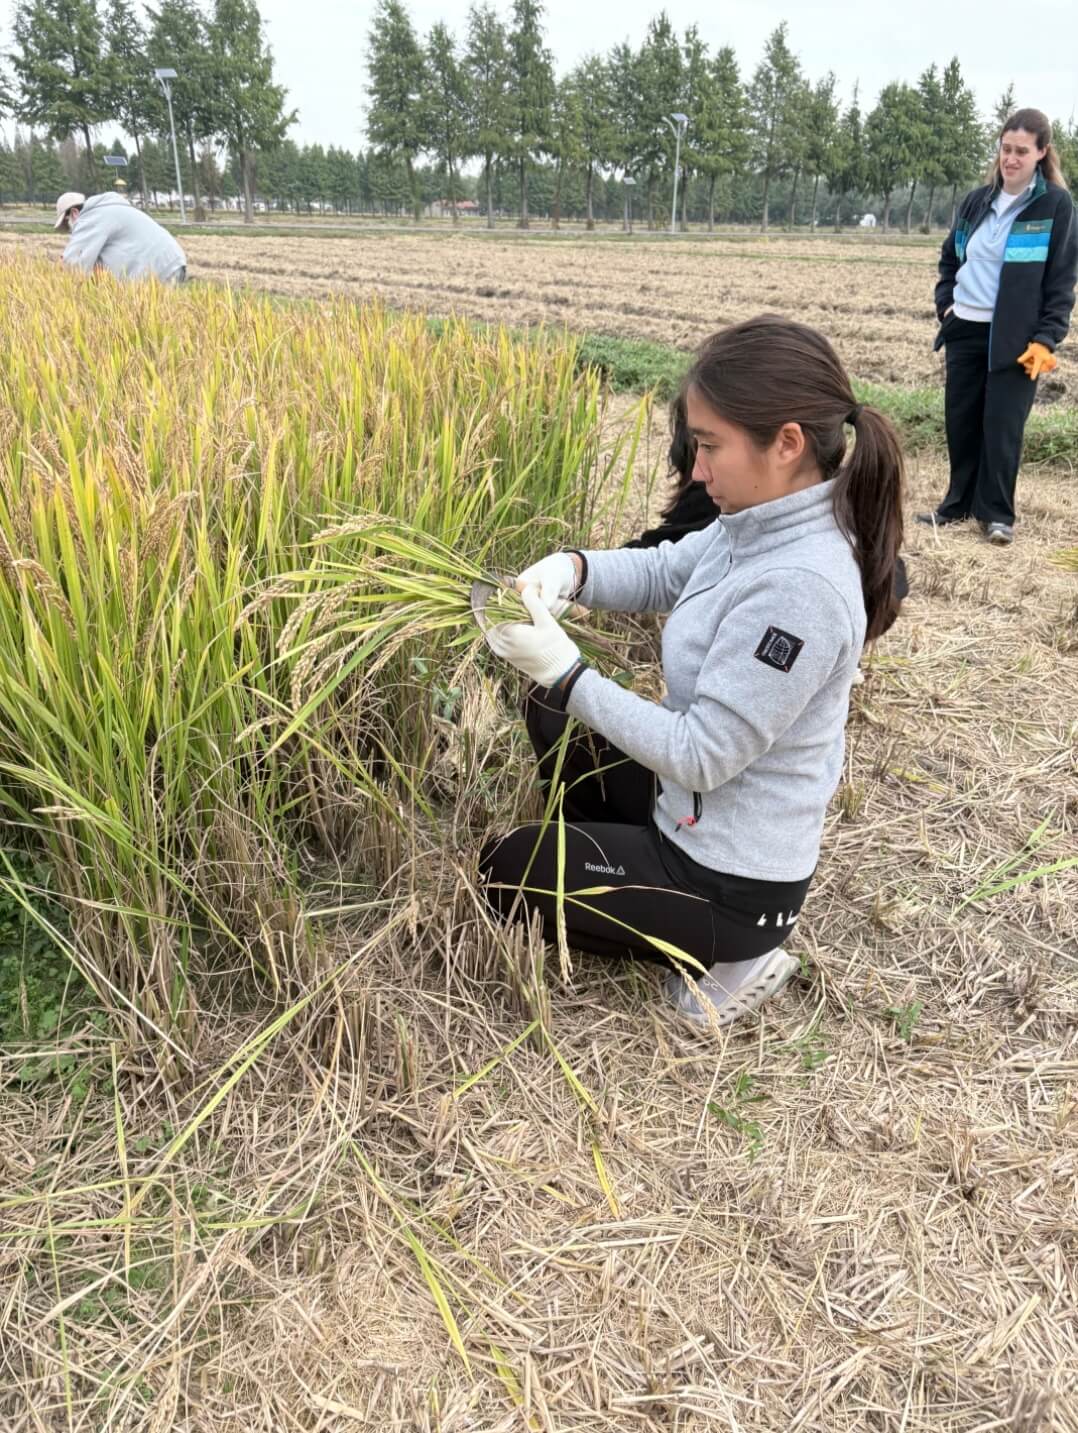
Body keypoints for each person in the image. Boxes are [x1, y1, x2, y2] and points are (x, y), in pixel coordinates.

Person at [479, 316, 905, 1028]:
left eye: (709, 446)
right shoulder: (759, 517)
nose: (697, 470)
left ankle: (737, 956)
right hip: (682, 808)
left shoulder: (801, 586)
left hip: (728, 876)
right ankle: (617, 864)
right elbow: (662, 568)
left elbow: (703, 754)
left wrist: (571, 671)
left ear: (787, 443)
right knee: (552, 710)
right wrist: (572, 571)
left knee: (501, 867)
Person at [918, 108, 1076, 546]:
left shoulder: (1054, 206)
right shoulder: (977, 200)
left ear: (1041, 153)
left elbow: (1061, 280)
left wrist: (1046, 339)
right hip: (964, 328)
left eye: (1021, 151)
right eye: (1006, 149)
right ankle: (957, 504)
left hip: (1015, 338)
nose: (1011, 158)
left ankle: (997, 515)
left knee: (1002, 428)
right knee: (961, 421)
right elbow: (951, 258)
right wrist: (946, 305)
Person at [54, 190, 188, 284]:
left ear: (74, 213)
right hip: (172, 261)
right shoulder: (108, 209)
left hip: (159, 269)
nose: (70, 231)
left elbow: (73, 265)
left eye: (67, 224)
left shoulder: (89, 218)